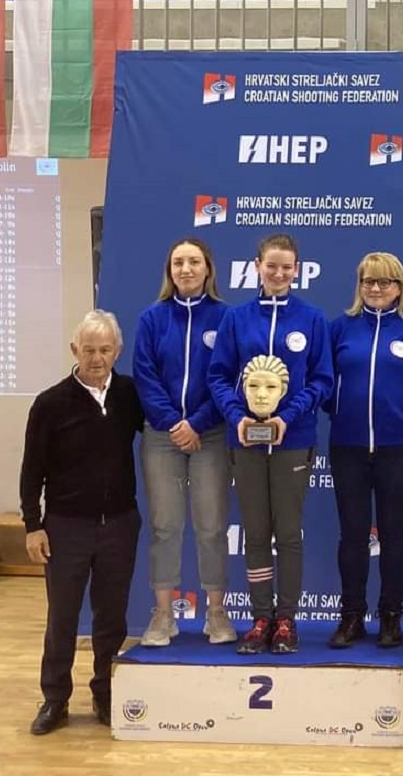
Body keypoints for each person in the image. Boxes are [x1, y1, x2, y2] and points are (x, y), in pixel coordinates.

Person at [20, 310, 145, 734]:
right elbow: (31, 471)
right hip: (65, 527)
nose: (96, 358)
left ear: (117, 351)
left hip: (120, 525)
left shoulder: (129, 394)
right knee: (63, 617)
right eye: (88, 349)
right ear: (75, 350)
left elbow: (161, 434)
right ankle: (55, 699)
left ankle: (105, 693)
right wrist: (33, 525)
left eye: (105, 349)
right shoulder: (50, 403)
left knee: (112, 618)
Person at [207, 233, 333, 654]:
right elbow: (218, 376)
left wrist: (286, 417)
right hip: (244, 440)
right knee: (256, 531)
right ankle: (261, 617)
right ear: (257, 267)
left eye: (286, 267)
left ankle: (286, 620)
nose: (279, 273)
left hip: (292, 439)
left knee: (289, 532)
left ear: (297, 270)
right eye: (271, 266)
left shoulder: (312, 319)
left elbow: (322, 380)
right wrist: (237, 416)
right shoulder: (236, 318)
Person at [326, 252, 403, 648]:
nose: (375, 289)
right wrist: (343, 411)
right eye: (368, 281)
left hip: (398, 447)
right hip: (348, 446)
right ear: (359, 285)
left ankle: (391, 616)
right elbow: (326, 381)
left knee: (394, 534)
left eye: (384, 282)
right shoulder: (341, 328)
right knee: (352, 535)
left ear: (399, 287)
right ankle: (351, 616)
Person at [132, 238, 236, 648]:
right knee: (165, 525)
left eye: (194, 261)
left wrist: (197, 422)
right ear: (169, 270)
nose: (186, 269)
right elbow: (145, 376)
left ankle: (216, 612)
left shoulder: (225, 318)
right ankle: (163, 614)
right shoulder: (152, 318)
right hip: (162, 435)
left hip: (210, 433)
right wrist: (174, 423)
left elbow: (229, 377)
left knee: (211, 526)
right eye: (178, 262)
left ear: (208, 268)